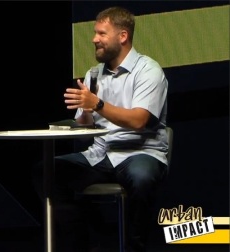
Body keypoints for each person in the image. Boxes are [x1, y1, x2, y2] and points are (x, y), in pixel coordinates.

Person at [32, 7, 169, 252]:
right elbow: (85, 124)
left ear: (123, 36)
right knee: (47, 172)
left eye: (102, 33)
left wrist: (97, 103)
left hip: (140, 152)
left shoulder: (149, 71)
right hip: (102, 154)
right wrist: (85, 110)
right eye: (95, 33)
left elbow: (139, 121)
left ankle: (134, 247)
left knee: (142, 178)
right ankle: (86, 244)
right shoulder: (94, 74)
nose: (94, 39)